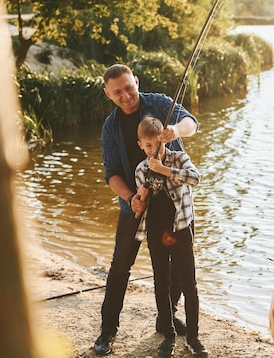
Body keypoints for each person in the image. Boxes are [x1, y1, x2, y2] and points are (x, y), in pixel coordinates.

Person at [94, 64, 198, 356]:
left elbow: (191, 122)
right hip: (136, 203)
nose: (125, 95)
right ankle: (107, 330)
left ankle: (168, 317)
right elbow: (112, 172)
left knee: (178, 264)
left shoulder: (160, 103)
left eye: (129, 87)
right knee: (119, 267)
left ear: (136, 81)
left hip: (175, 205)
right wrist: (130, 198)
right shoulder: (109, 127)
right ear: (108, 94)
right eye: (117, 92)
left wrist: (175, 130)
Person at [132, 116, 208, 357]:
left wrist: (165, 170)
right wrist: (141, 195)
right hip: (156, 232)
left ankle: (194, 337)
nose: (154, 150)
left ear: (164, 141)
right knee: (161, 282)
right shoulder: (140, 170)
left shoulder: (178, 158)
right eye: (148, 146)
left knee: (189, 283)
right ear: (141, 146)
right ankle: (169, 334)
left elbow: (195, 178)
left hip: (181, 229)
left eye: (158, 144)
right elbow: (140, 207)